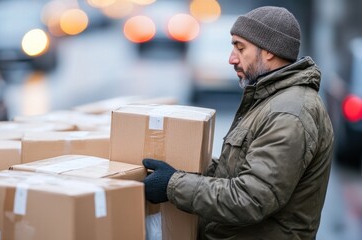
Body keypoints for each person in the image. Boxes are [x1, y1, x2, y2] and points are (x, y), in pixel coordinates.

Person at [143, 6, 334, 240]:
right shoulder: (272, 100)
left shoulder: (289, 113)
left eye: (240, 47)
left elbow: (251, 198)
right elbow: (237, 171)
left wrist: (173, 185)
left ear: (269, 52)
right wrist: (183, 170)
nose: (231, 58)